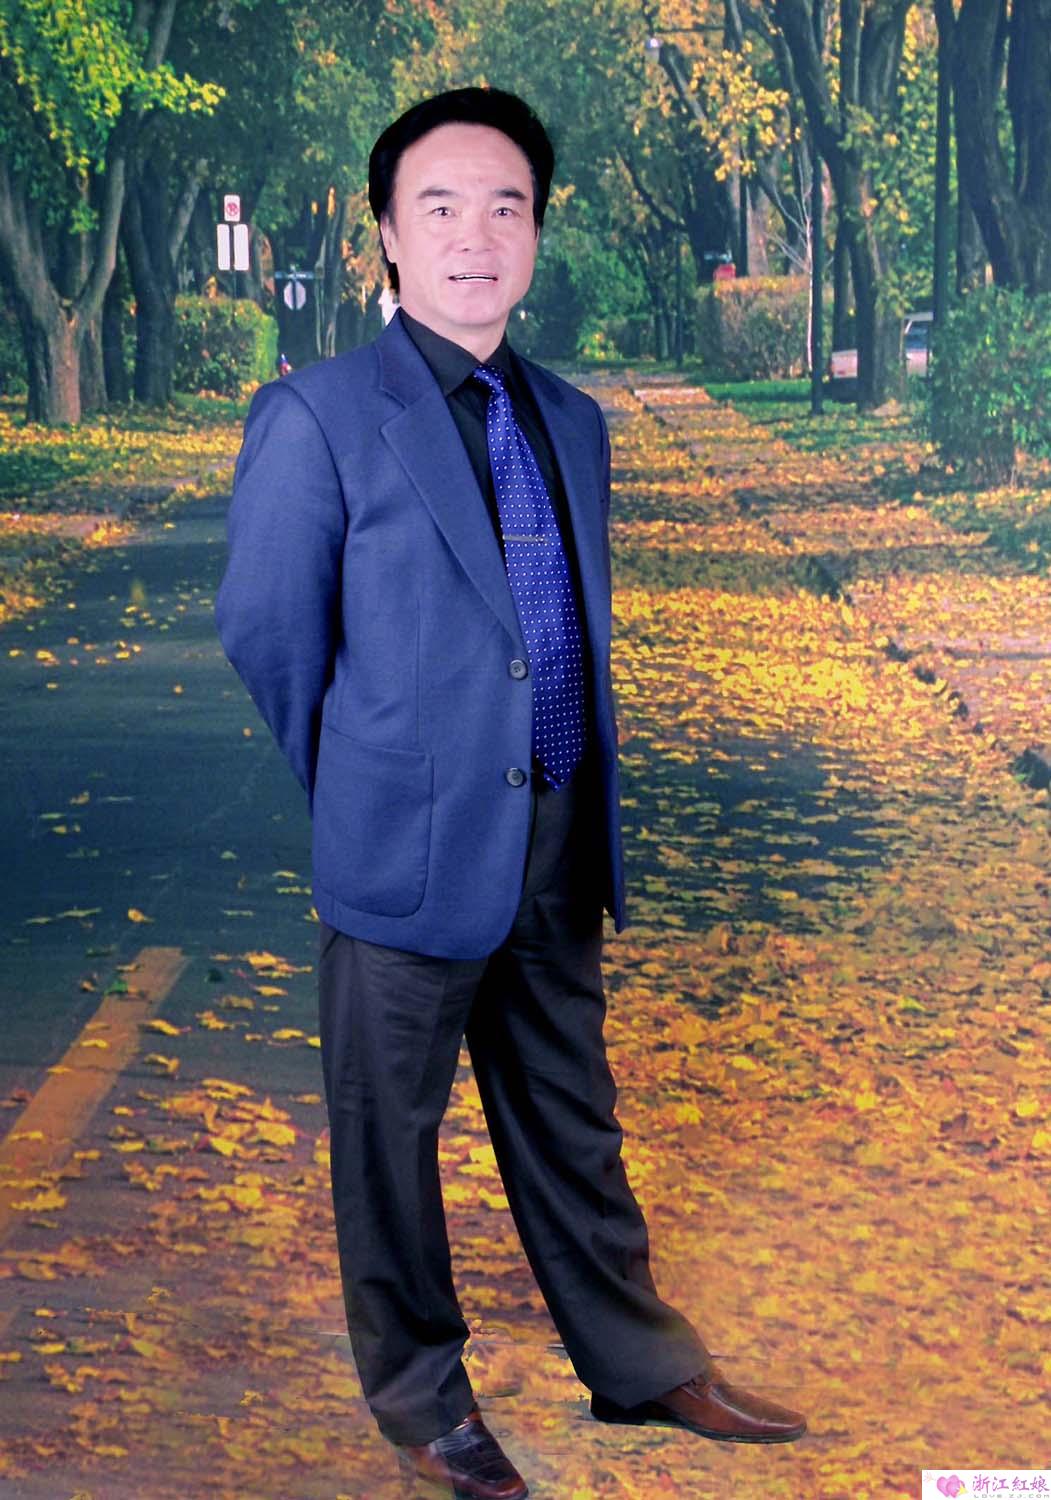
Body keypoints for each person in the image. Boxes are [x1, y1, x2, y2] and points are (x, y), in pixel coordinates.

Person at [215, 86, 807, 1500]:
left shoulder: (574, 420)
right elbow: (269, 630)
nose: (475, 236)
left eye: (506, 207)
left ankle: (640, 1364)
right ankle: (426, 1406)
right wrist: (370, 782)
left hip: (555, 833)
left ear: (535, 232)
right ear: (386, 234)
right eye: (440, 207)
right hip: (405, 852)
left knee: (573, 1122)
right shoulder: (317, 416)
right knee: (390, 1146)